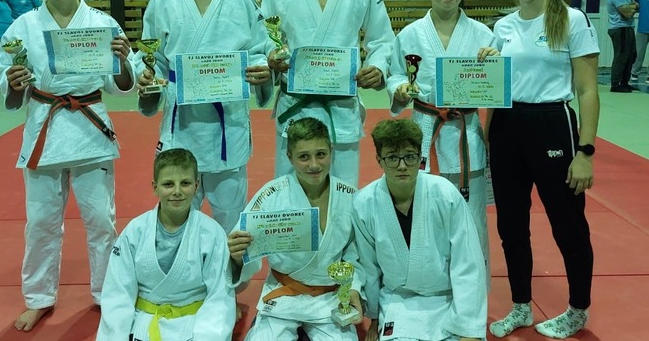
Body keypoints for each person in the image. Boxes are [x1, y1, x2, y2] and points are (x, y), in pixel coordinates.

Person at [0, 0, 135, 331]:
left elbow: (120, 85)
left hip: (90, 127)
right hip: (46, 123)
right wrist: (14, 82)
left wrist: (123, 60)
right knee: (41, 220)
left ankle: (107, 293)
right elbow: (8, 82)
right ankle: (38, 298)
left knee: (102, 220)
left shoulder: (103, 23)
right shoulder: (22, 27)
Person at [135, 0, 274, 236]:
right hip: (182, 125)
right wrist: (148, 79)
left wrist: (261, 70)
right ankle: (184, 269)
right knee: (178, 216)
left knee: (231, 218)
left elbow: (258, 50)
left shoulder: (242, 2)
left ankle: (230, 270)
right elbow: (154, 59)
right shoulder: (162, 3)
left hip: (228, 126)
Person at [488, 0, 599, 339]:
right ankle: (521, 306)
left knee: (568, 224)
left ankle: (577, 310)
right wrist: (487, 136)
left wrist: (585, 152)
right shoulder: (502, 27)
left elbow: (587, 90)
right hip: (506, 127)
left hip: (552, 124)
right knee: (511, 225)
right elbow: (494, 87)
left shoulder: (571, 19)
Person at [261, 0, 395, 186]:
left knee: (343, 191)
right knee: (291, 191)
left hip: (341, 107)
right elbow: (264, 36)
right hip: (296, 105)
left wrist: (377, 68)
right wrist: (271, 57)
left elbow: (382, 39)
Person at [386, 0, 497, 283]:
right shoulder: (410, 34)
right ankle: (428, 284)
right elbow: (396, 74)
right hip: (424, 131)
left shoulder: (483, 35)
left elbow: (496, 86)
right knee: (425, 212)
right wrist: (400, 88)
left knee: (471, 217)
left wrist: (495, 61)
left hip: (466, 135)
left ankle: (472, 288)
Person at [228, 117, 363, 340]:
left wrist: (354, 287)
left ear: (331, 151)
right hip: (283, 296)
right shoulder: (271, 195)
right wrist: (236, 256)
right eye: (303, 157)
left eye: (321, 154)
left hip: (330, 298)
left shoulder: (350, 196)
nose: (314, 165)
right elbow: (245, 248)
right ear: (289, 157)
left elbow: (357, 252)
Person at [352, 118, 487, 341]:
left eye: (409, 156)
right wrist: (374, 318)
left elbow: (468, 263)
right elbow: (369, 266)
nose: (402, 165)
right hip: (398, 302)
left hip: (448, 302)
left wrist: (467, 329)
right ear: (379, 160)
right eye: (392, 157)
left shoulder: (445, 195)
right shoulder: (364, 203)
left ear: (420, 157)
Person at [97, 149, 236, 341]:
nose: (177, 191)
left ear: (196, 186)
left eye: (185, 183)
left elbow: (219, 297)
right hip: (144, 324)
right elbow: (118, 292)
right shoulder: (135, 231)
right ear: (155, 188)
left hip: (194, 325)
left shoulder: (212, 234)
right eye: (168, 184)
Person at [606, 0, 638, 92]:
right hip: (620, 28)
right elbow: (627, 14)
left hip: (627, 28)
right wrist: (633, 6)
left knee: (631, 55)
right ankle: (615, 85)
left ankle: (624, 82)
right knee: (621, 56)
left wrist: (632, 6)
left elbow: (635, 5)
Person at [630, 0, 649, 84]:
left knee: (639, 52)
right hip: (643, 28)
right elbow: (636, 5)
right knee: (638, 52)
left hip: (642, 27)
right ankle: (634, 73)